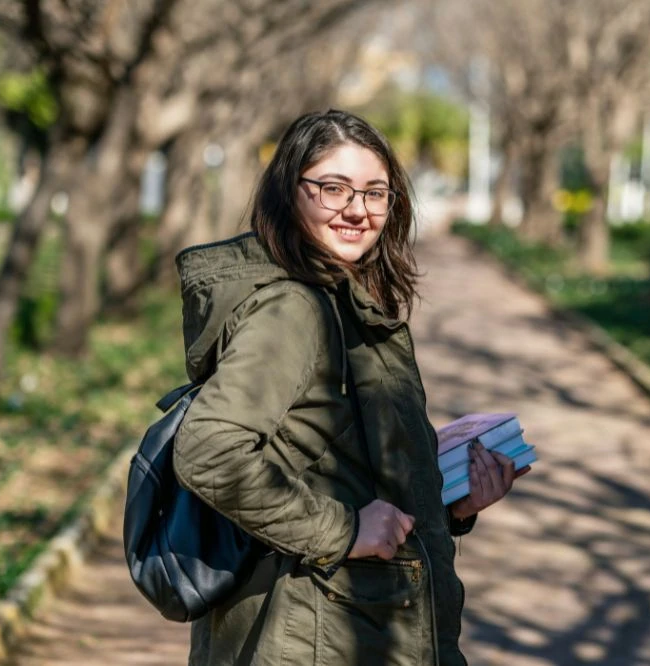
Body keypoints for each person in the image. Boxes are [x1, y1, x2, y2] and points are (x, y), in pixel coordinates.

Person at [172, 109, 529, 666]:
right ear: (289, 192)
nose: (358, 210)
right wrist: (341, 529)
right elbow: (209, 451)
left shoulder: (345, 296)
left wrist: (451, 503)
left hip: (358, 623)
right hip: (314, 634)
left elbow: (335, 460)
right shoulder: (292, 308)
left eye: (375, 193)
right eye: (333, 188)